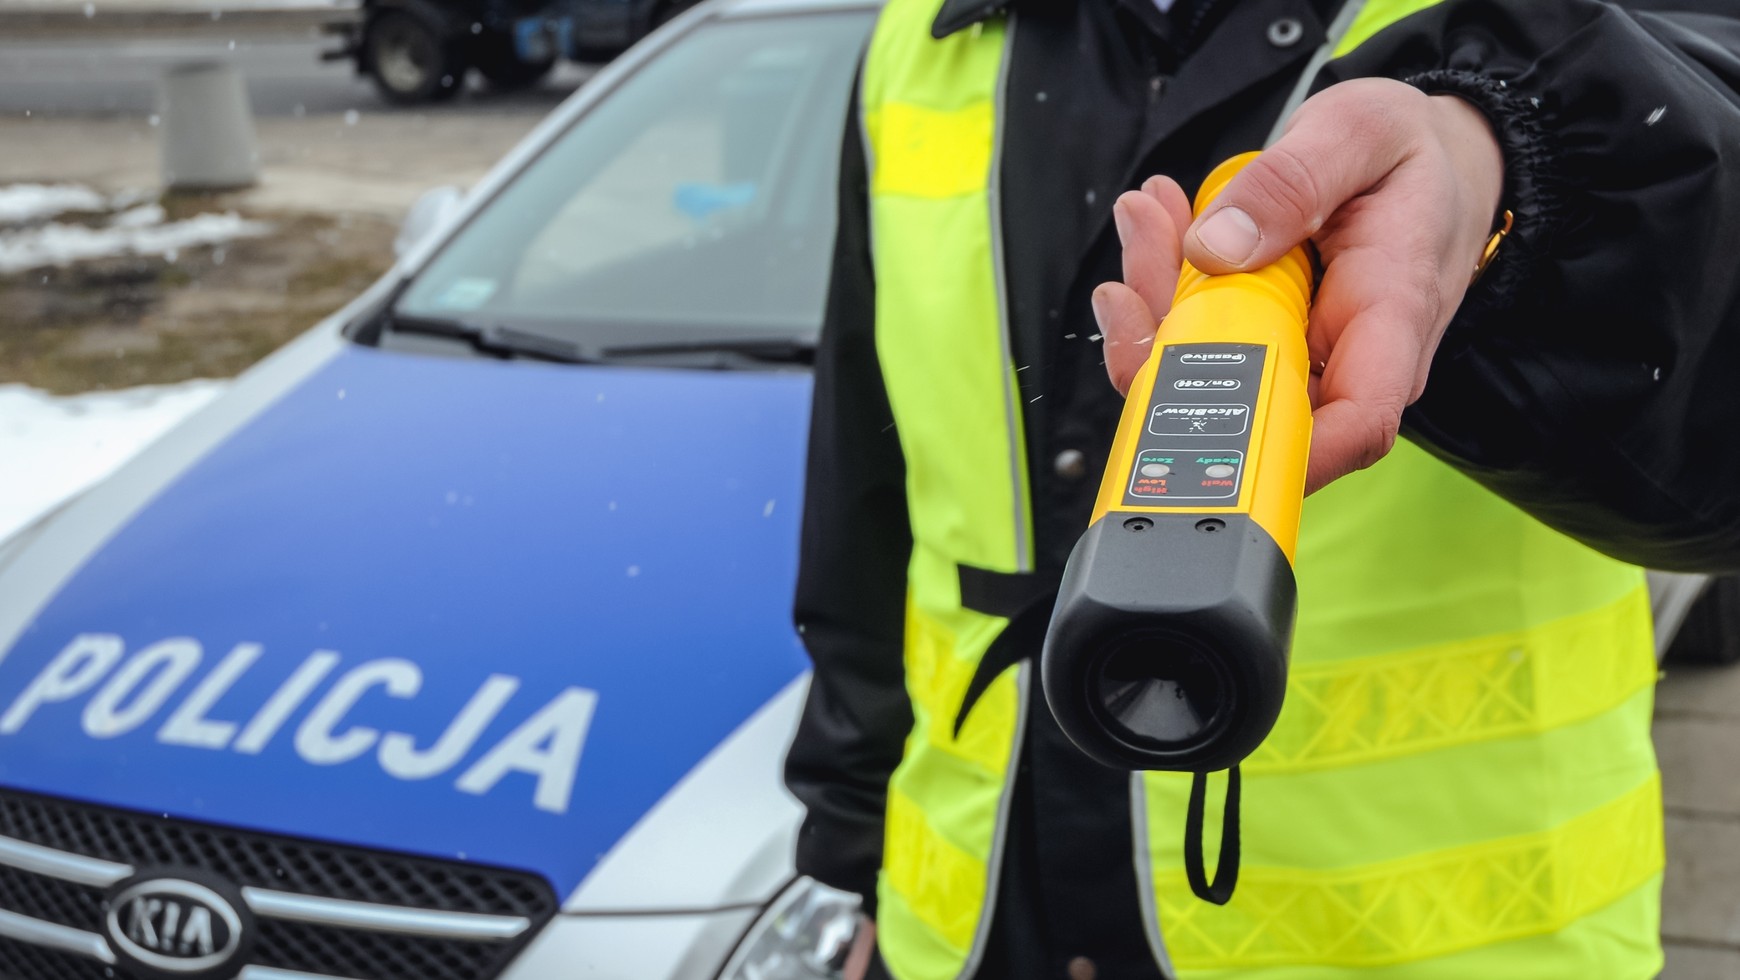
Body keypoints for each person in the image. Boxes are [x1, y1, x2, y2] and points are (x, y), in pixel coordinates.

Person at [785, 0, 1740, 974]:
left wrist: (1510, 158)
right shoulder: (918, 37)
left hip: (1423, 943)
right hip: (971, 919)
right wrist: (853, 855)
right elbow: (867, 495)